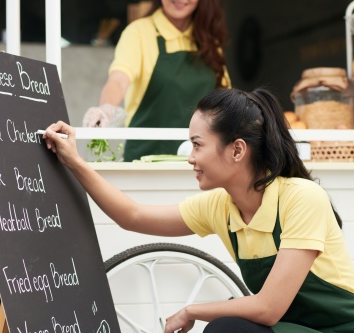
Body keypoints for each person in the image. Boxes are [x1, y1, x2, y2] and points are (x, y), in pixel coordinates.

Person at [41, 87, 354, 333]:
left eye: (197, 145)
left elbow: (268, 308)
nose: (190, 157)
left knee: (227, 327)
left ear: (237, 150)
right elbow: (131, 216)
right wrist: (75, 161)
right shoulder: (221, 207)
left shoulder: (301, 198)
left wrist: (192, 310)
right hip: (291, 328)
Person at [83, 0, 230, 162]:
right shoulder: (138, 32)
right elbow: (118, 79)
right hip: (146, 161)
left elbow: (226, 99)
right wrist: (106, 108)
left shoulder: (209, 40)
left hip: (201, 164)